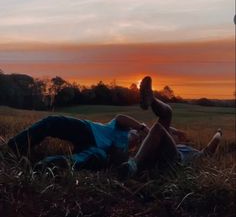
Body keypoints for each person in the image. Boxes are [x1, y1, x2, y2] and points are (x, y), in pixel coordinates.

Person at [119, 76, 223, 178]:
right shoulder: (171, 144)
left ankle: (133, 166)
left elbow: (214, 143)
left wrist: (219, 132)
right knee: (163, 119)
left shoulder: (197, 154)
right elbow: (162, 131)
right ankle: (151, 99)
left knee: (163, 121)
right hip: (156, 157)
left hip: (174, 162)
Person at [7, 111, 149, 170]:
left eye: (141, 137)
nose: (138, 135)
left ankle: (48, 164)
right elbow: (120, 117)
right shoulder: (121, 127)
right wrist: (141, 127)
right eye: (136, 133)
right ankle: (13, 147)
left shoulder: (130, 153)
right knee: (53, 122)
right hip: (89, 131)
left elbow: (119, 162)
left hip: (100, 151)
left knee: (90, 158)